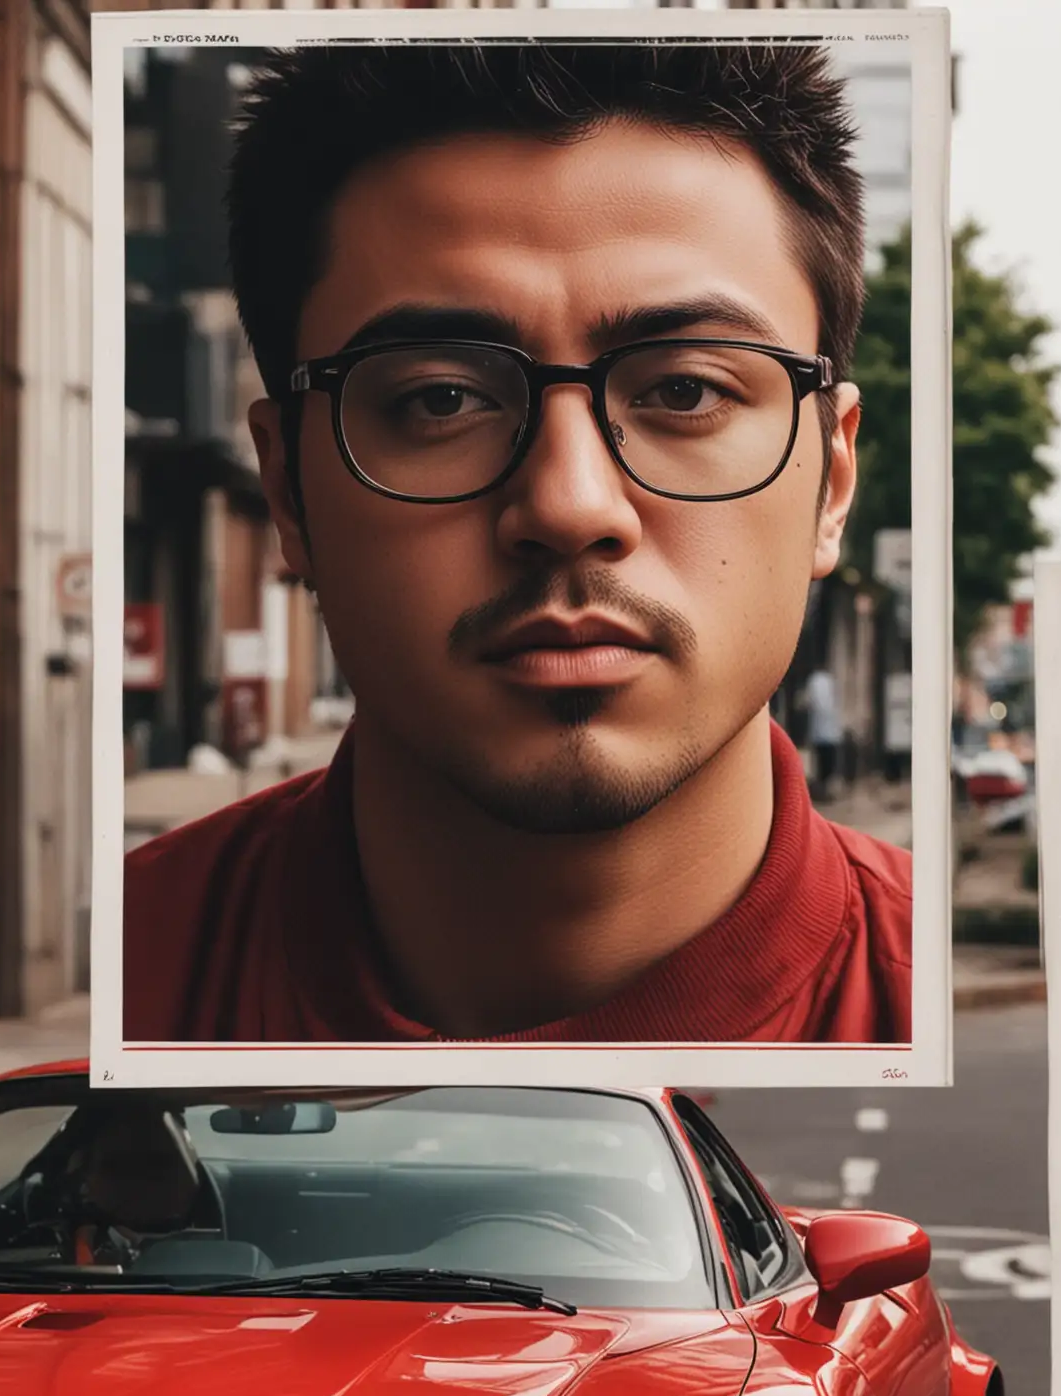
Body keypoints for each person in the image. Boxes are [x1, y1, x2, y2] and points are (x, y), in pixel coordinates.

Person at [124, 42, 911, 1047]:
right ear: (287, 489)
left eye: (685, 391)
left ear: (832, 482)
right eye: (441, 399)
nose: (572, 506)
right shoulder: (127, 982)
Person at [802, 665, 843, 801]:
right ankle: (824, 790)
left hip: (821, 732)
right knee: (828, 763)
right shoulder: (829, 681)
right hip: (829, 732)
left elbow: (807, 703)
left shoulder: (813, 681)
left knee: (822, 763)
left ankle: (823, 790)